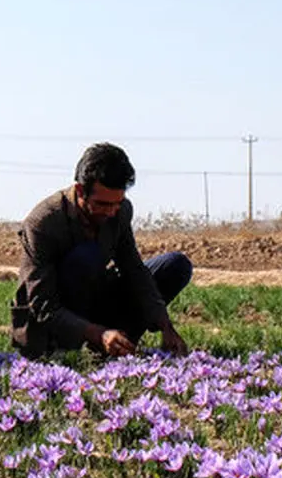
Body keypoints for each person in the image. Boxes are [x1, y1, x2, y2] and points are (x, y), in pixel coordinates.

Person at [11, 142, 192, 358]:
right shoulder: (44, 222)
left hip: (95, 300)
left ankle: (121, 341)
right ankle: (74, 346)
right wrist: (98, 333)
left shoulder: (120, 211)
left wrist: (165, 326)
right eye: (103, 204)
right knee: (87, 257)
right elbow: (42, 305)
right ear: (80, 191)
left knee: (175, 265)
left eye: (117, 203)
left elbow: (134, 270)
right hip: (54, 318)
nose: (111, 212)